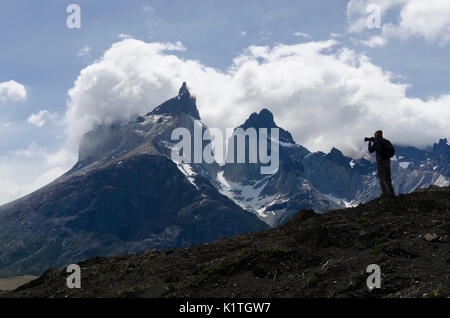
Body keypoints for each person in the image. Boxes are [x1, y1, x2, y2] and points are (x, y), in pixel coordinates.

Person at [368, 130, 396, 198]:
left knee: (382, 178)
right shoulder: (386, 141)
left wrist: (369, 144)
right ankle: (392, 194)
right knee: (388, 178)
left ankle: (386, 194)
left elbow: (371, 150)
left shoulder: (377, 142)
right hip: (387, 161)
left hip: (381, 162)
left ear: (376, 135)